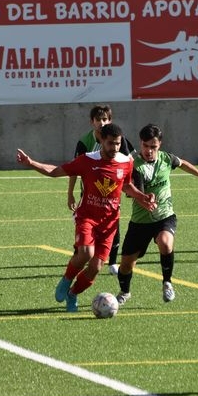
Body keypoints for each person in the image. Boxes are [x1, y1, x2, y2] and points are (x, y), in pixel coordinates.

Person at [17, 123, 155, 313]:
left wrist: (142, 197)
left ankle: (72, 295)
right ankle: (66, 280)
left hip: (110, 223)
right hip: (87, 217)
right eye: (110, 144)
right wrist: (31, 163)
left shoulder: (125, 161)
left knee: (96, 267)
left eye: (117, 143)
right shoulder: (87, 160)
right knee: (86, 253)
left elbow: (126, 185)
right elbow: (55, 171)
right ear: (101, 141)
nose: (114, 148)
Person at [116, 124, 198, 306]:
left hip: (165, 216)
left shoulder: (166, 159)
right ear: (141, 144)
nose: (149, 150)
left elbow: (182, 164)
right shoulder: (133, 165)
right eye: (146, 146)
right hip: (140, 221)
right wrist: (145, 199)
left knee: (165, 243)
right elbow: (130, 190)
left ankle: (167, 282)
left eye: (153, 147)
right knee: (126, 265)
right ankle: (125, 292)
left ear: (159, 145)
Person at [68, 104, 135, 275]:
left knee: (113, 225)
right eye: (98, 119)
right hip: (90, 193)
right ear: (92, 122)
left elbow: (130, 161)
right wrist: (70, 194)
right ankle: (79, 256)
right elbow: (73, 169)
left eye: (105, 119)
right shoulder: (85, 142)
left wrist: (136, 191)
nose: (102, 122)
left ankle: (112, 261)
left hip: (111, 193)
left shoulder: (118, 140)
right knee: (86, 236)